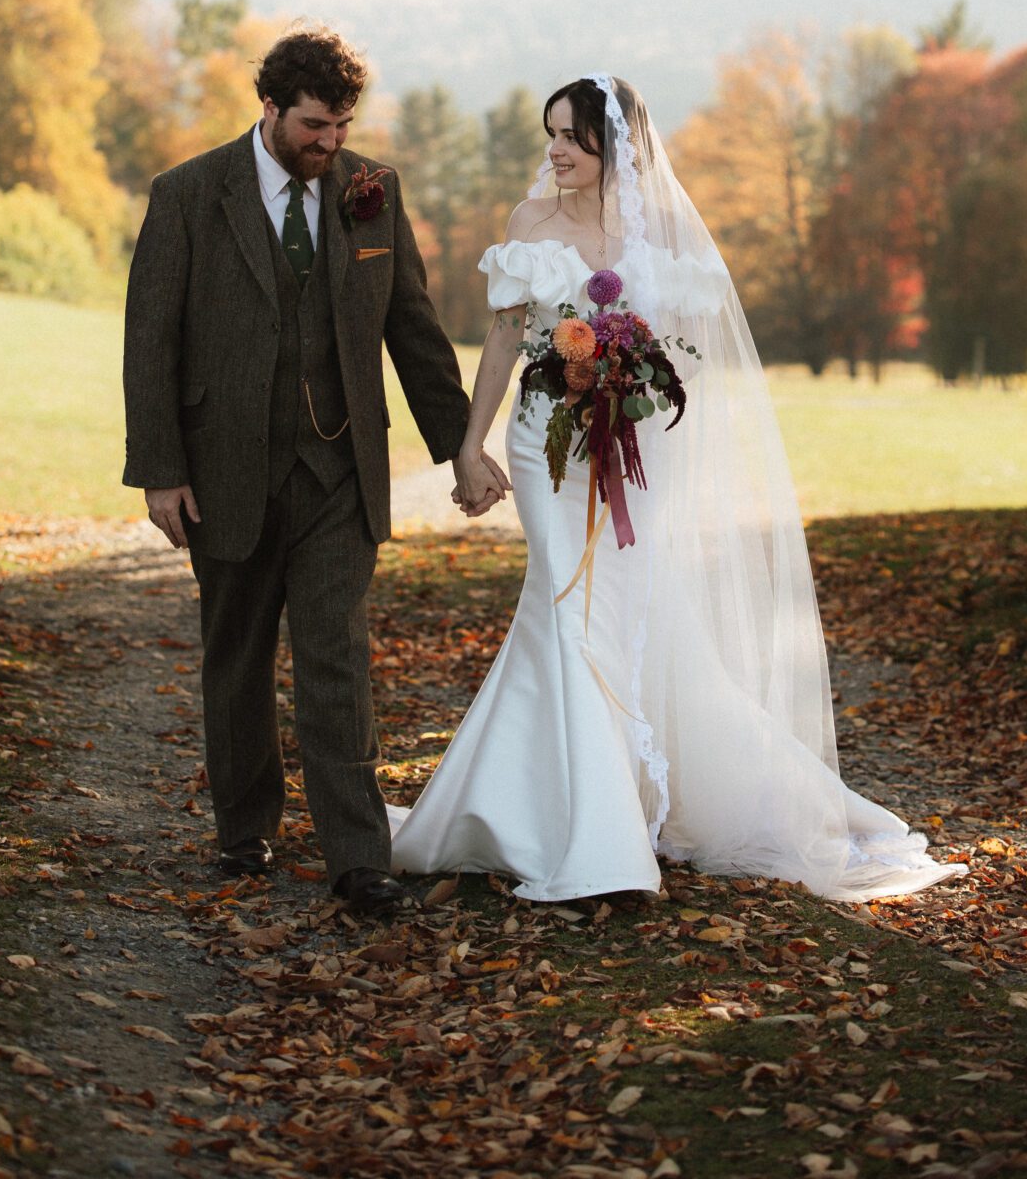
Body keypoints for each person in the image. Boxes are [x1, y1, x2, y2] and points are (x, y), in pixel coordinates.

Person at [389, 73, 966, 904]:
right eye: (547, 134)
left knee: (626, 616)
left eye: (570, 137)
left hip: (633, 448)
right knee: (565, 607)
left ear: (612, 144)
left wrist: (628, 381)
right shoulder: (529, 223)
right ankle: (596, 837)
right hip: (542, 443)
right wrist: (466, 447)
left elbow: (690, 351)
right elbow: (503, 339)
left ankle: (606, 805)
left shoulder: (660, 232)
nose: (553, 151)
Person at [122, 24, 484, 918]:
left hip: (339, 470)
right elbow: (149, 338)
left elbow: (412, 325)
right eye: (315, 125)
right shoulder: (187, 195)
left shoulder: (371, 191)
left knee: (337, 655)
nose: (330, 143)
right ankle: (244, 830)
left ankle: (359, 858)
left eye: (341, 125)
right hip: (222, 468)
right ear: (272, 109)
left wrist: (460, 448)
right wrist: (159, 469)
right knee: (236, 657)